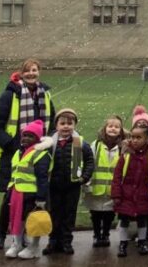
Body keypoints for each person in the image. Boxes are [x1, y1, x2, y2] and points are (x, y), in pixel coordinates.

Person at [0, 59, 56, 250]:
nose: (31, 74)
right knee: (10, 197)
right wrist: (13, 145)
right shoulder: (10, 95)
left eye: (34, 70)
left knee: (31, 197)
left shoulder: (45, 94)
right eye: (27, 71)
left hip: (37, 153)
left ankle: (24, 236)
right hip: (14, 153)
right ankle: (1, 234)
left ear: (39, 72)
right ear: (21, 73)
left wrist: (48, 140)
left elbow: (52, 123)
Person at [43, 107, 94, 256]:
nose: (66, 126)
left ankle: (66, 241)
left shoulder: (81, 143)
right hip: (53, 185)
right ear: (56, 125)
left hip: (72, 185)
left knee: (69, 215)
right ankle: (53, 241)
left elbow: (90, 161)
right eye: (62, 123)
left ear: (75, 125)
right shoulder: (49, 143)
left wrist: (84, 177)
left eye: (70, 123)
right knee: (54, 214)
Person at [111, 120, 148, 257]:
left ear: (147, 139)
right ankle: (123, 243)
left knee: (142, 220)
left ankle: (142, 241)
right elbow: (117, 176)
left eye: (138, 137)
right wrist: (116, 194)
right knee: (124, 220)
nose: (134, 140)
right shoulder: (126, 155)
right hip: (126, 195)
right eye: (132, 137)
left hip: (143, 194)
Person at [3, 119, 53, 259]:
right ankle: (17, 244)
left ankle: (34, 247)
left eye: (30, 136)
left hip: (33, 194)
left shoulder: (41, 154)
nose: (25, 138)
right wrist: (9, 190)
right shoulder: (19, 152)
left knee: (35, 220)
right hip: (17, 192)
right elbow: (14, 173)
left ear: (37, 139)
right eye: (24, 135)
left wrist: (41, 198)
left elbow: (42, 178)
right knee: (16, 220)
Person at [84, 114, 124, 248]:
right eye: (110, 126)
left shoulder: (122, 147)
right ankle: (96, 235)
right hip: (96, 188)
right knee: (95, 214)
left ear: (121, 130)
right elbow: (89, 164)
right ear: (105, 128)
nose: (113, 129)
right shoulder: (96, 145)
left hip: (113, 189)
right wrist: (87, 184)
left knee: (109, 214)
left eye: (117, 127)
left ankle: (106, 234)